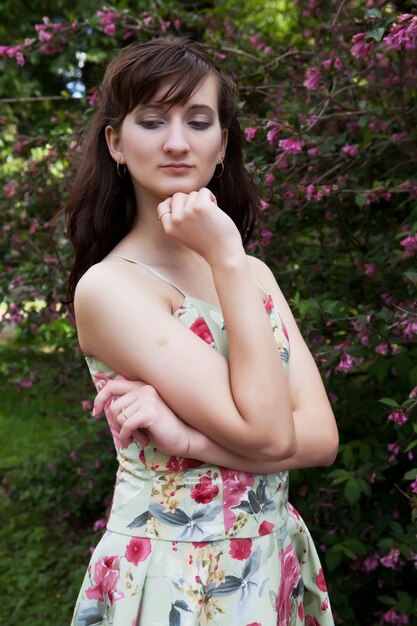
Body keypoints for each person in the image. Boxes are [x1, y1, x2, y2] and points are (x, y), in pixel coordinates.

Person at [66, 36, 338, 626]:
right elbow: (271, 436)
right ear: (115, 142)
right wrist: (229, 257)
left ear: (221, 147)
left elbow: (318, 439)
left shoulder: (247, 271)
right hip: (178, 575)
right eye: (152, 120)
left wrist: (190, 441)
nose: (175, 141)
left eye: (198, 120)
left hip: (271, 559)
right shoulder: (111, 289)